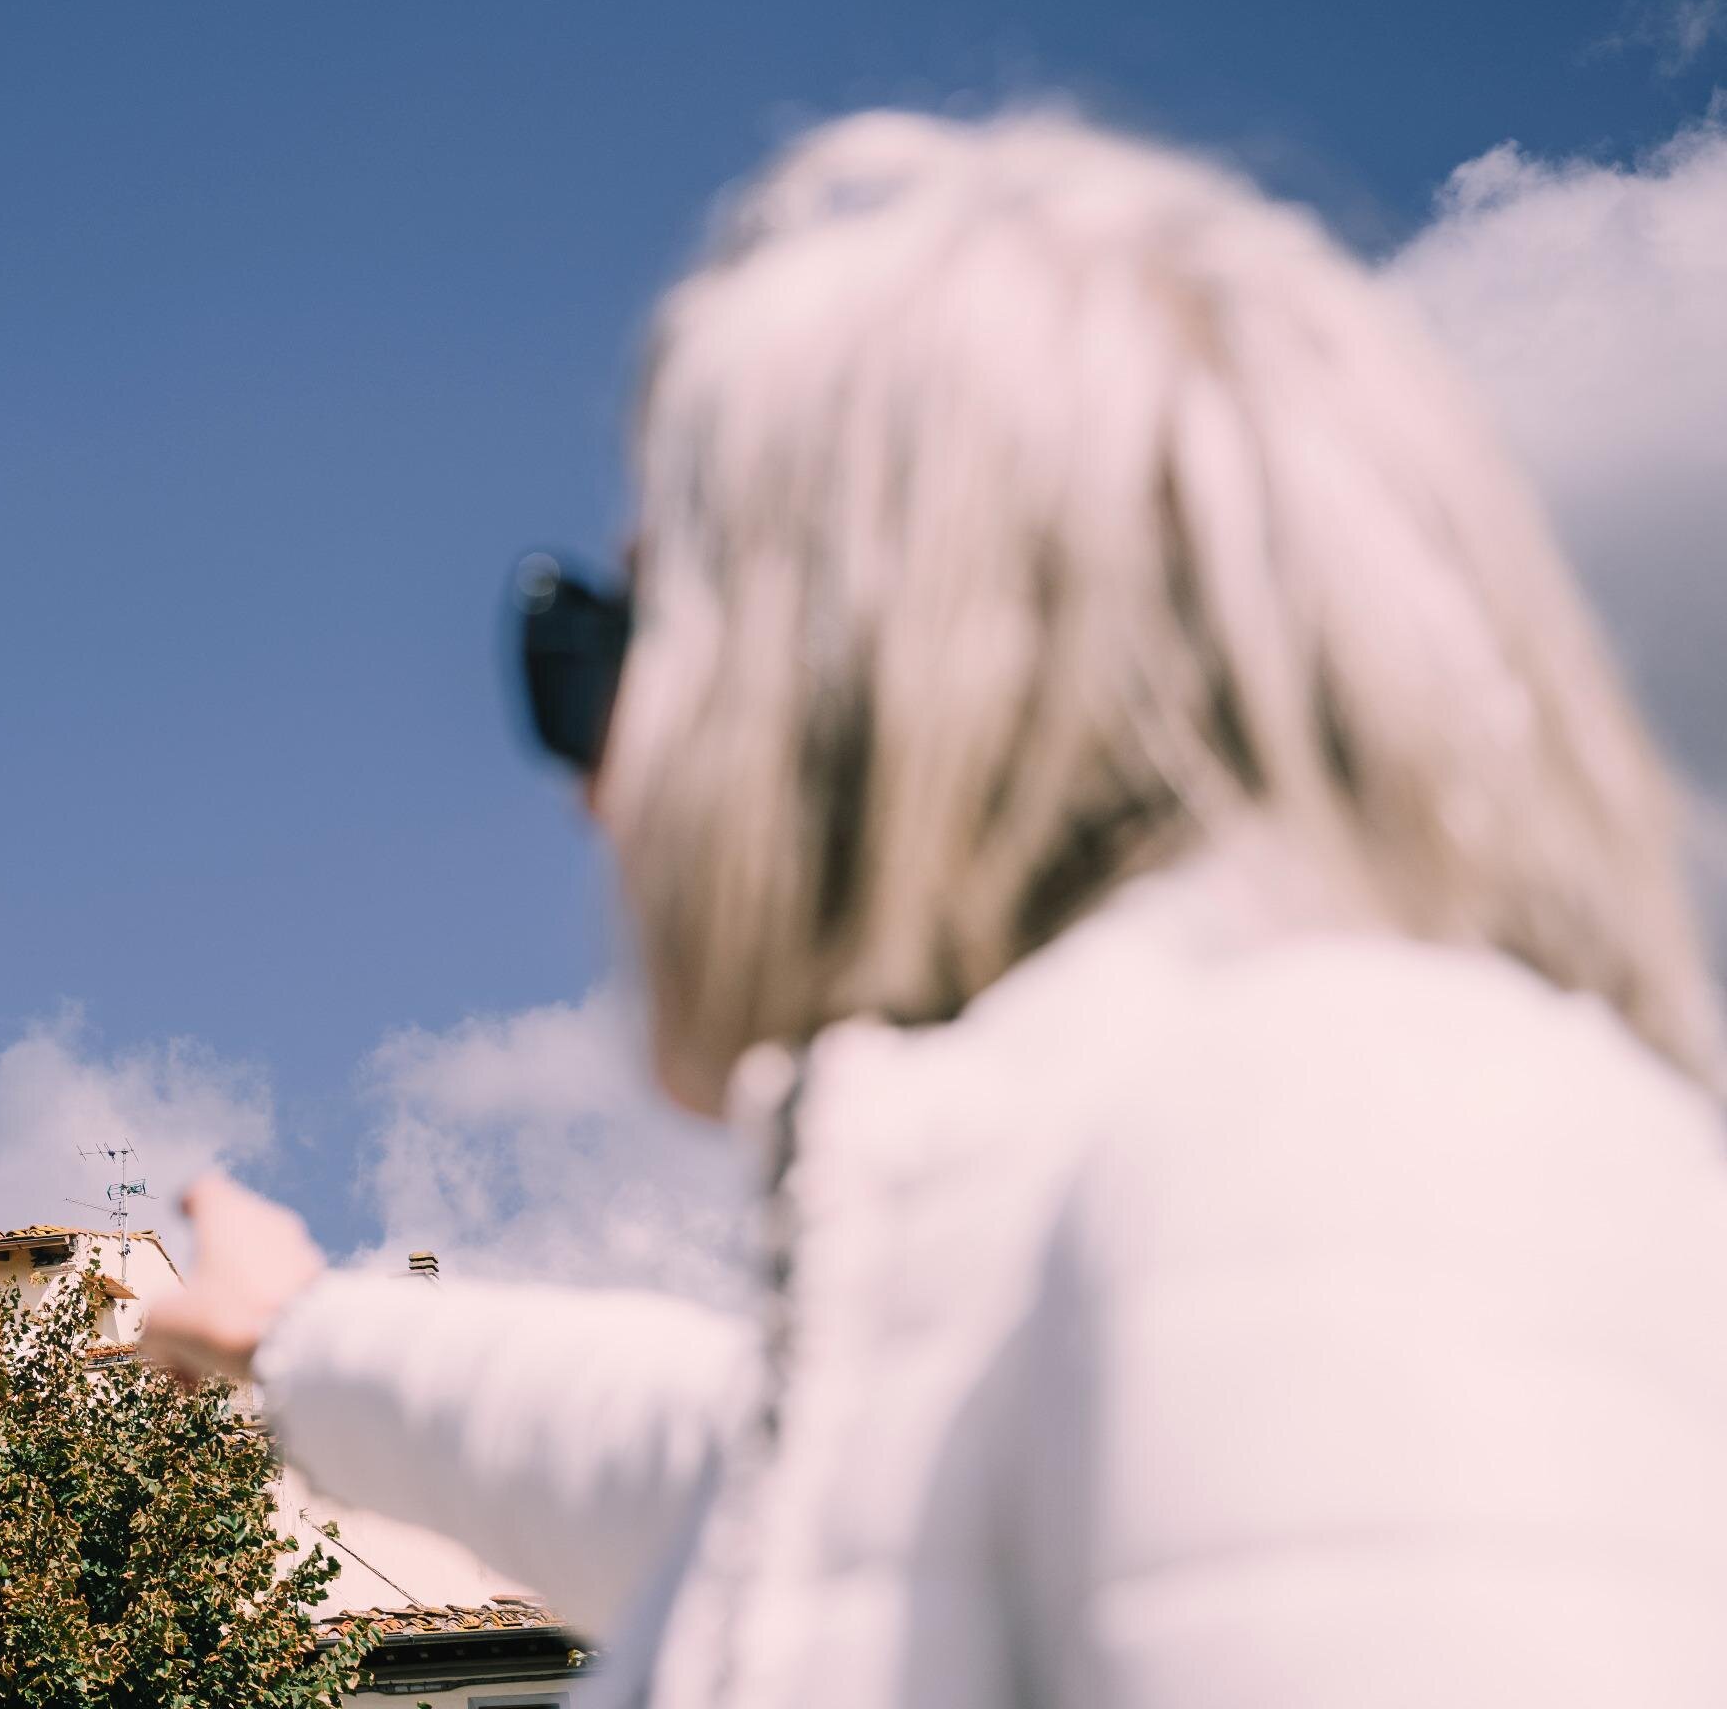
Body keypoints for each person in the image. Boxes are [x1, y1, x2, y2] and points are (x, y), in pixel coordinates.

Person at [141, 109, 1727, 1707]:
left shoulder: (1330, 1140)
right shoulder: (1164, 1237)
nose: (587, 788)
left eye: (612, 656)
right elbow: (702, 1456)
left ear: (869, 667)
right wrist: (300, 1336)